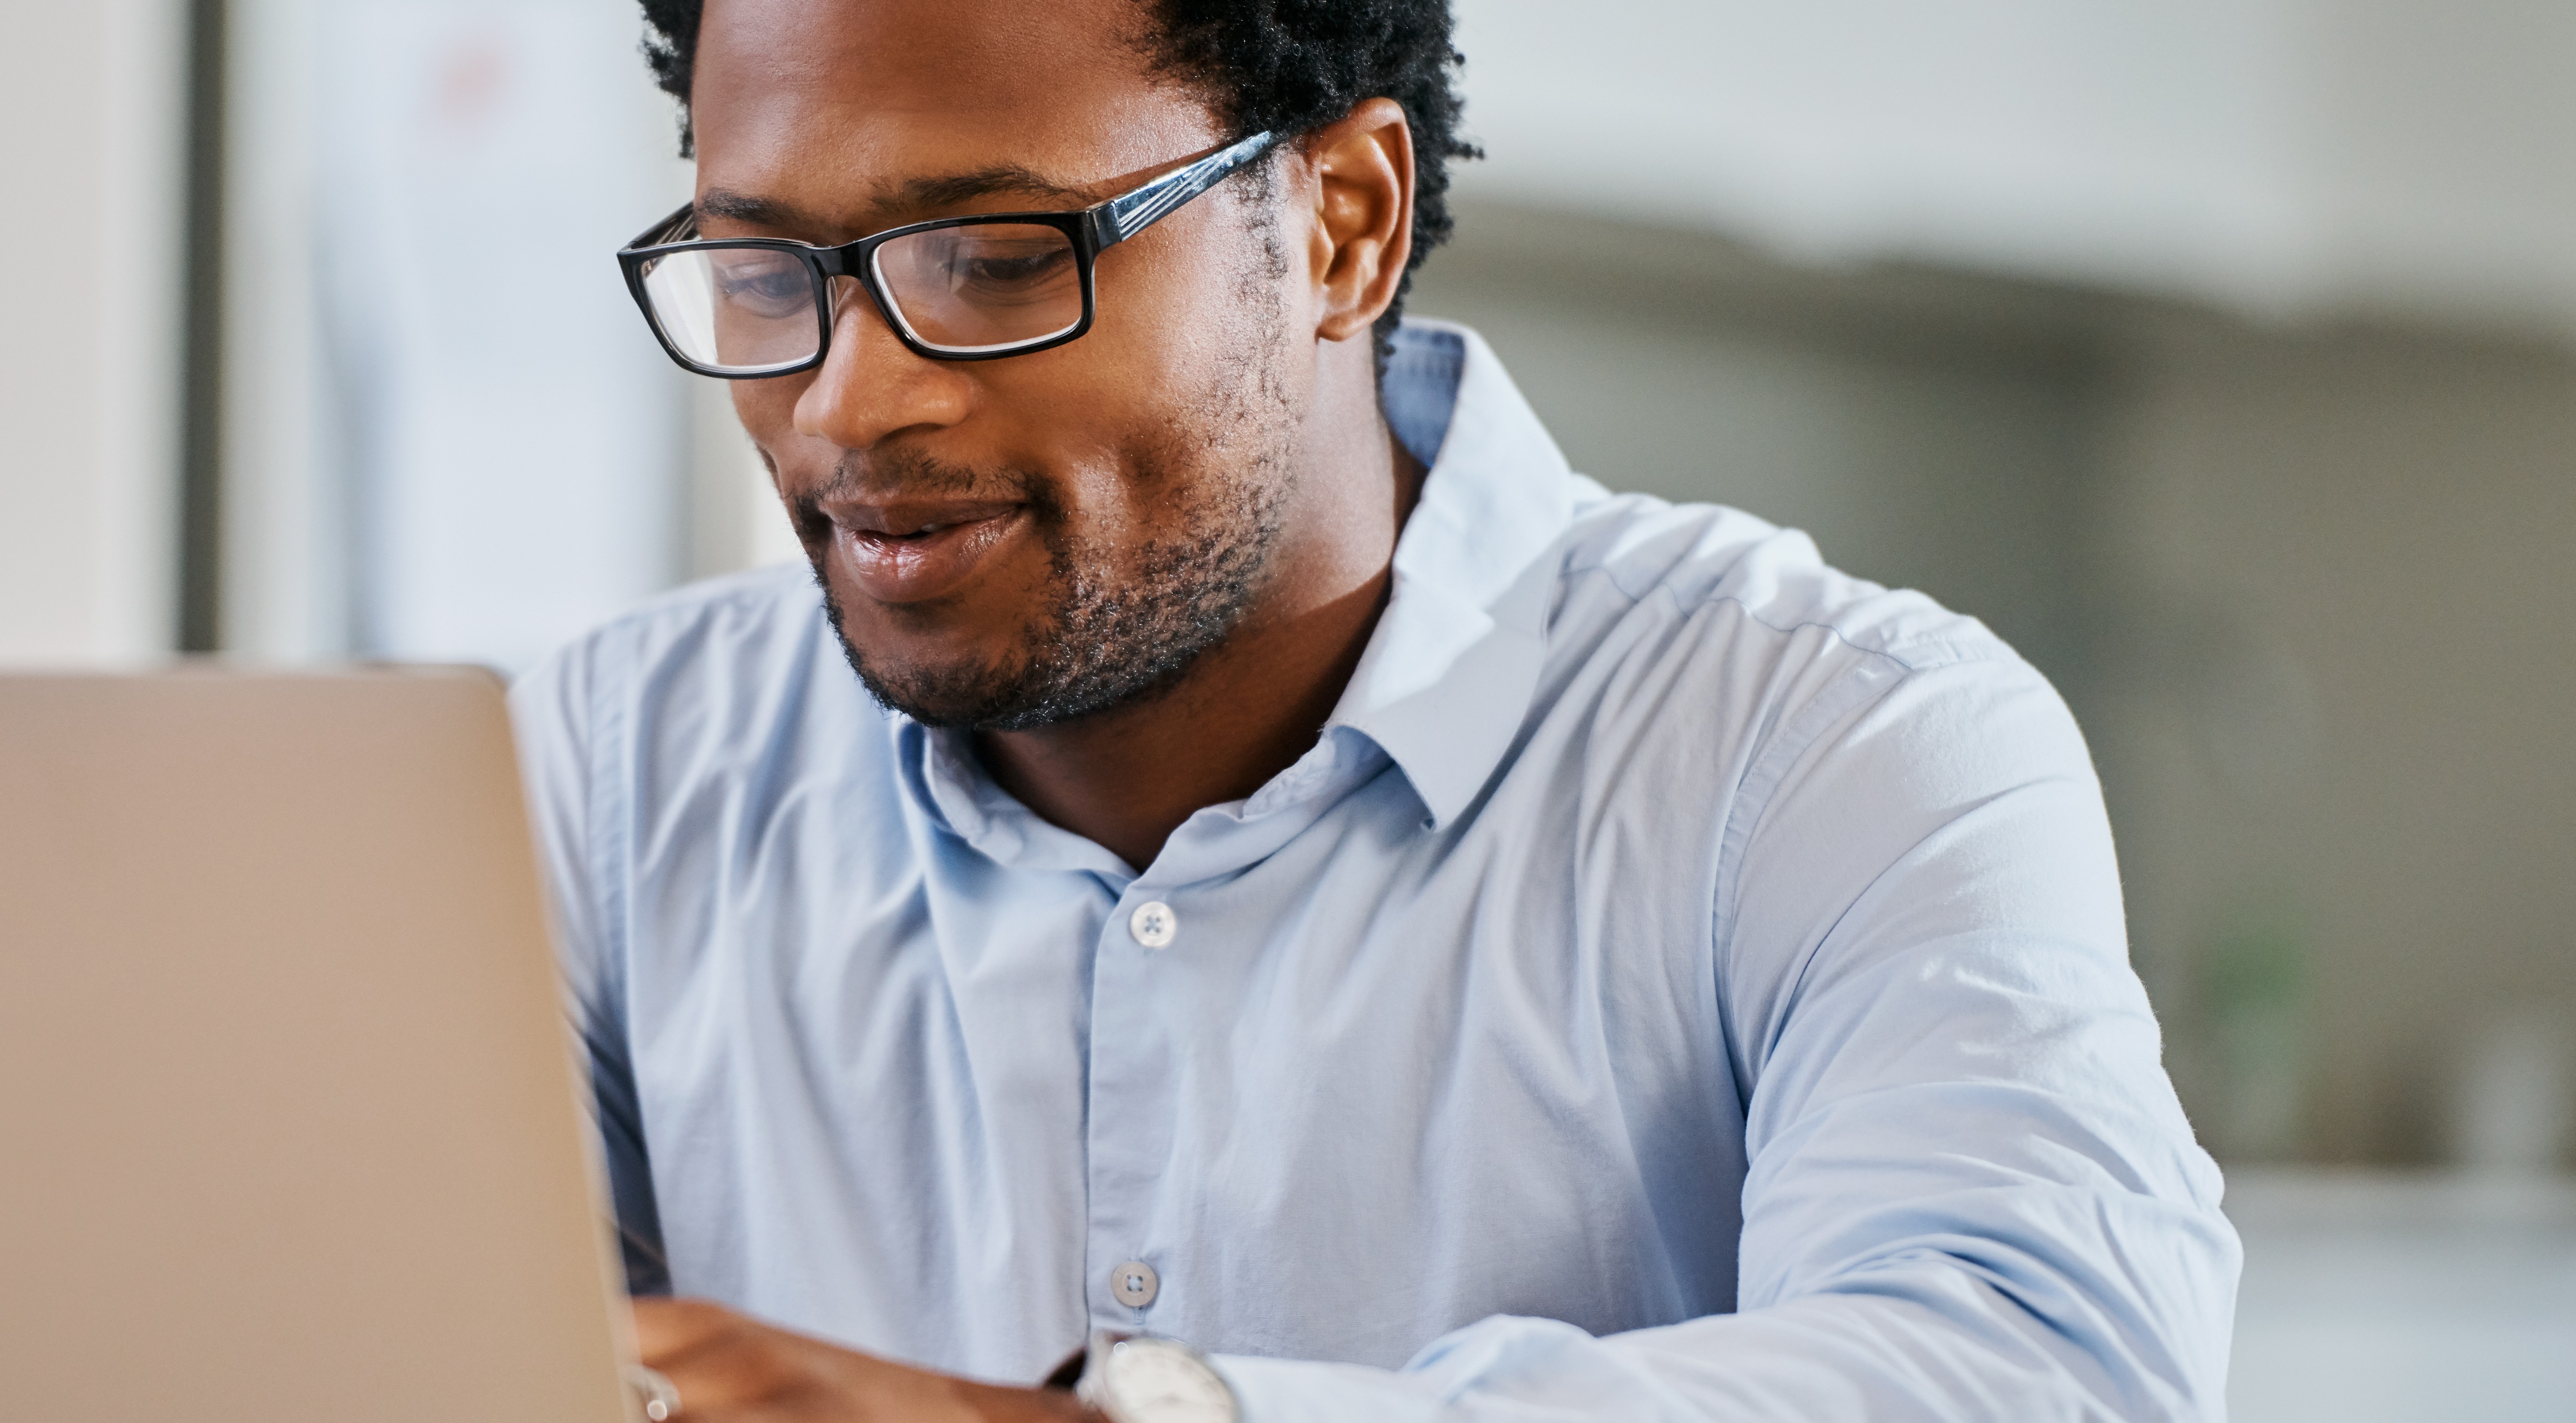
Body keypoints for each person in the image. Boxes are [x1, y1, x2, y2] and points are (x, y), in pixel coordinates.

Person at [510, 1, 2239, 1418]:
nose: (846, 398)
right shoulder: (601, 772)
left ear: (1344, 221)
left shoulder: (1832, 746)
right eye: (760, 274)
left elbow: (2044, 1368)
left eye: (993, 258)